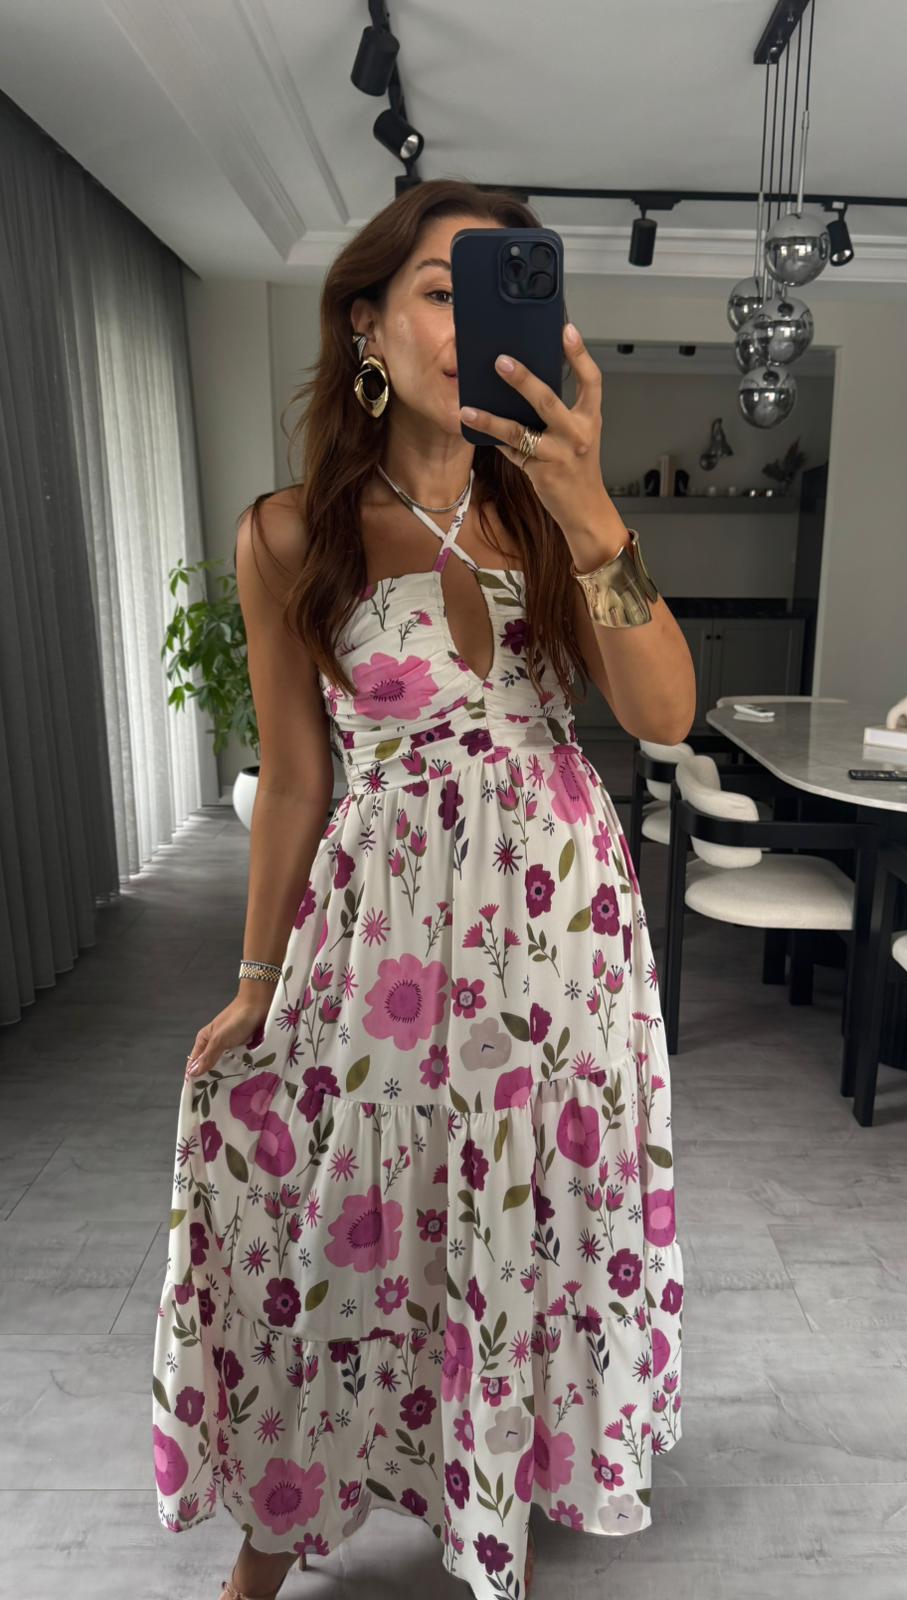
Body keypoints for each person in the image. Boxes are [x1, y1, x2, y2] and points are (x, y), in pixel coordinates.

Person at [151, 178, 691, 1600]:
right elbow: (294, 781)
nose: (468, 326)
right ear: (367, 325)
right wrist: (256, 982)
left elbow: (662, 715)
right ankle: (280, 1524)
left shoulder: (554, 511)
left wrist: (589, 506)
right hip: (383, 926)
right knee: (348, 1210)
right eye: (440, 293)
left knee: (537, 1204)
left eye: (491, 292)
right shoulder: (289, 534)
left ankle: (504, 1486)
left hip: (561, 923)